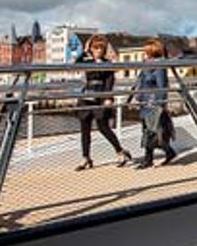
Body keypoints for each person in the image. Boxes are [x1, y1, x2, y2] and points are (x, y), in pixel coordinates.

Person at [74, 34, 131, 171]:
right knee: (85, 129)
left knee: (103, 127)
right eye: (95, 48)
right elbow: (76, 63)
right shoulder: (87, 61)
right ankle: (86, 158)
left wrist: (107, 97)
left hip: (100, 96)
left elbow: (110, 82)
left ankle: (120, 151)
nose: (98, 50)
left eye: (101, 48)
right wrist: (86, 49)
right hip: (86, 97)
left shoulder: (107, 63)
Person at [134, 38, 177, 169]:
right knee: (147, 131)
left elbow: (162, 86)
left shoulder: (159, 66)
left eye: (145, 51)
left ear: (152, 51)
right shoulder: (146, 65)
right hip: (145, 102)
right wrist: (138, 97)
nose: (143, 53)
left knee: (152, 131)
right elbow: (141, 83)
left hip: (153, 103)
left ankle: (154, 157)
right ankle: (156, 157)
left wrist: (160, 104)